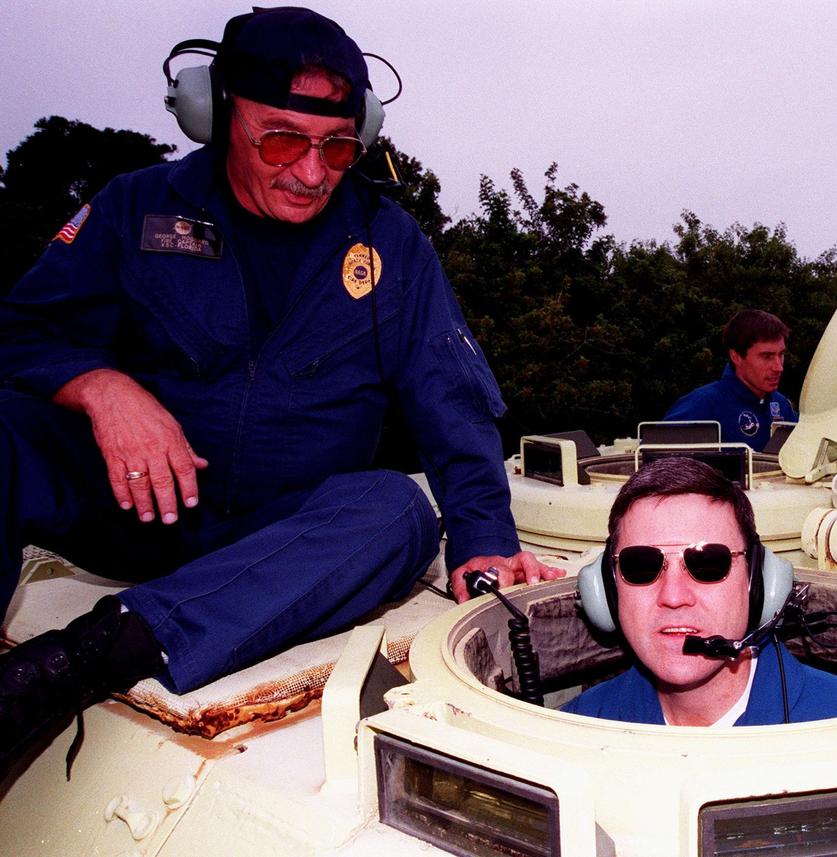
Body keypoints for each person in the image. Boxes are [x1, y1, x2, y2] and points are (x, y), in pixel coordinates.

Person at [0, 7, 559, 769]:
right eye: (284, 139)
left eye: (337, 148)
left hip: (278, 543)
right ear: (218, 114)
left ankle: (72, 666)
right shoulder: (136, 206)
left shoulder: (389, 240)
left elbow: (448, 397)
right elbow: (22, 331)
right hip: (132, 508)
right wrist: (100, 387)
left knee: (396, 510)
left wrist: (486, 538)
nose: (310, 172)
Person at [563, 457, 837, 726]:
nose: (674, 596)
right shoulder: (578, 730)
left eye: (708, 564)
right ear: (609, 589)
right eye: (641, 565)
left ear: (757, 583)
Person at [663, 309, 798, 452]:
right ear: (736, 357)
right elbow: (655, 461)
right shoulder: (704, 404)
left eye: (781, 354)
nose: (779, 367)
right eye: (767, 356)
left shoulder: (782, 406)